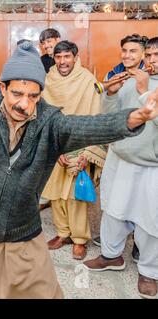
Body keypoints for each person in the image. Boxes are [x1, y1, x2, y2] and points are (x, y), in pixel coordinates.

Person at [0, 0, 158, 298]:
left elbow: (88, 126)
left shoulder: (49, 123)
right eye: (16, 93)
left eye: (33, 95)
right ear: (2, 88)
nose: (23, 103)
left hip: (22, 236)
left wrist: (133, 117)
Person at [83, 36, 158, 299]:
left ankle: (149, 271)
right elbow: (112, 117)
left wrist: (144, 91)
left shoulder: (142, 84)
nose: (151, 60)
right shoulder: (129, 79)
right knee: (112, 212)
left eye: (155, 55)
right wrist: (112, 95)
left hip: (151, 165)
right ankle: (111, 256)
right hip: (120, 157)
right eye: (148, 55)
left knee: (151, 222)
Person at [41, 41, 105, 260]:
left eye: (67, 57)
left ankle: (79, 239)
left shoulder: (87, 80)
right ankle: (62, 233)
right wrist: (53, 145)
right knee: (55, 195)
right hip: (54, 145)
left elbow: (94, 115)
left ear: (75, 57)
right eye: (58, 57)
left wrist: (86, 152)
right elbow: (43, 116)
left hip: (80, 145)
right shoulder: (48, 80)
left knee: (75, 196)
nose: (62, 62)